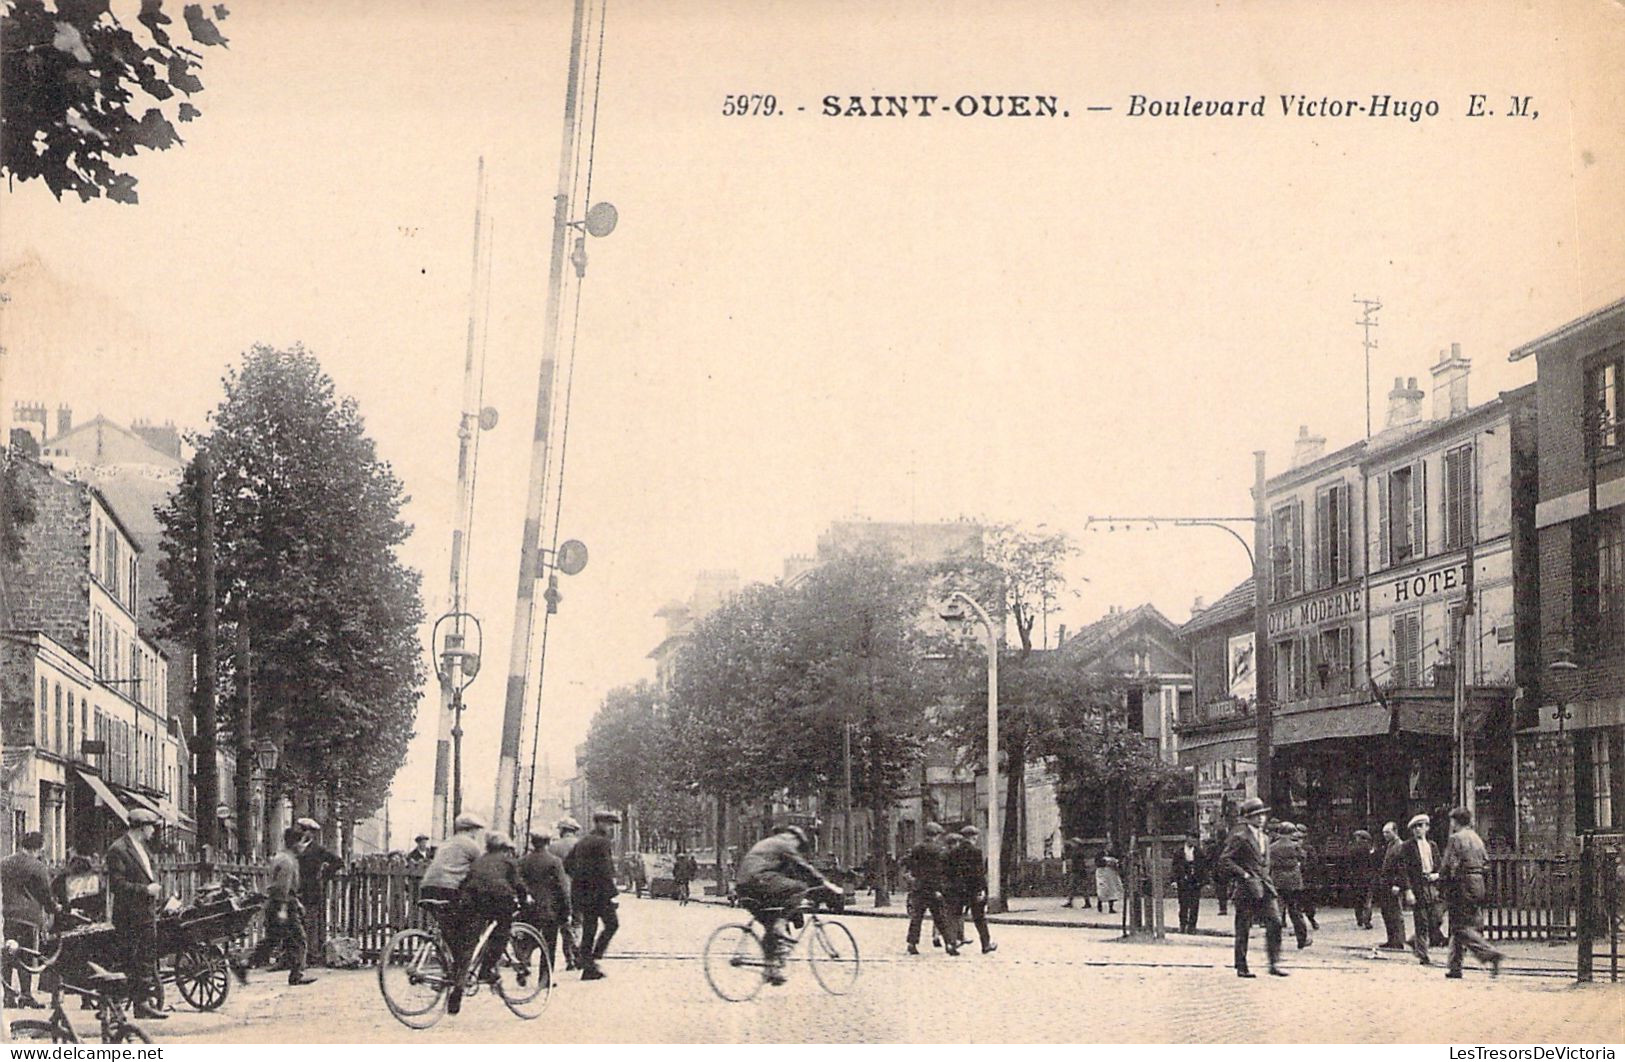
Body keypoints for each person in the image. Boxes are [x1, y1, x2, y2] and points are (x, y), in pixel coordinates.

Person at [734, 825, 838, 985]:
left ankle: (771, 969)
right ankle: (781, 925)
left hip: (743, 887)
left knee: (770, 926)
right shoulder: (783, 844)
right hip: (760, 880)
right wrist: (824, 882)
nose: (796, 848)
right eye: (798, 845)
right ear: (793, 837)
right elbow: (802, 866)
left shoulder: (766, 844)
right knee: (799, 888)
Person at [104, 807, 170, 1018]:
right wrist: (145, 890)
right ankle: (122, 1006)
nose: (153, 832)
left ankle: (143, 1005)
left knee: (146, 960)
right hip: (129, 916)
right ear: (141, 827)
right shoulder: (118, 849)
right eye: (152, 827)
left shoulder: (143, 849)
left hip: (146, 914)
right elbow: (117, 885)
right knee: (130, 961)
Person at [456, 832, 525, 1014]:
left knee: (471, 941)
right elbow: (518, 885)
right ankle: (486, 970)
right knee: (501, 933)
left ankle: (459, 981)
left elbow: (466, 881)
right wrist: (525, 902)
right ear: (504, 848)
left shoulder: (478, 861)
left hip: (474, 900)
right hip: (498, 899)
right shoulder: (507, 862)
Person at [419, 811, 487, 992]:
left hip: (427, 889)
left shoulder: (445, 844)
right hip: (449, 891)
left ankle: (450, 971)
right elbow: (483, 871)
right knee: (470, 936)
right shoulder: (471, 846)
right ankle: (459, 981)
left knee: (452, 935)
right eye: (475, 830)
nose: (476, 834)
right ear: (470, 830)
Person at [1219, 797, 1286, 978]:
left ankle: (1273, 963)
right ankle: (1242, 965)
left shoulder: (1265, 838)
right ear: (1248, 818)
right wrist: (1244, 875)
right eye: (1257, 815)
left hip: (1266, 887)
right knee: (1244, 927)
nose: (1261, 818)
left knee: (1276, 923)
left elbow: (1265, 863)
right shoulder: (1239, 837)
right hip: (1247, 888)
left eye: (1262, 814)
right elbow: (1225, 860)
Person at [1440, 806, 1505, 979]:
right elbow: (1486, 862)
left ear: (1455, 821)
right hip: (1478, 885)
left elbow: (1449, 864)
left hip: (1462, 886)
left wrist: (1441, 880)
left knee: (1460, 927)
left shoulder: (1455, 838)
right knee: (1459, 926)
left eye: (1452, 821)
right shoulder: (1476, 838)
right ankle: (1454, 967)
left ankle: (1490, 954)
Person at [249, 827, 318, 986]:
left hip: (277, 902)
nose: (303, 846)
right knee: (299, 939)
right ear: (295, 843)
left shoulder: (280, 857)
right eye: (302, 842)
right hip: (283, 905)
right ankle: (297, 975)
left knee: (273, 939)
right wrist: (284, 909)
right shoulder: (287, 861)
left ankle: (245, 963)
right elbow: (283, 888)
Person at [2, 831, 61, 1009]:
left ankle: (8, 996)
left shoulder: (4, 863)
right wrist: (54, 909)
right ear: (38, 848)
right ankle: (26, 995)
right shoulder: (37, 866)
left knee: (9, 953)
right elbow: (45, 894)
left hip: (10, 915)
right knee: (26, 955)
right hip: (29, 917)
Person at [564, 810, 620, 981]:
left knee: (589, 928)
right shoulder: (602, 842)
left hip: (583, 893)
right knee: (612, 924)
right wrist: (612, 893)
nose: (611, 828)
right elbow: (605, 870)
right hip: (599, 893)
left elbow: (567, 864)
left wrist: (580, 879)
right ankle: (591, 959)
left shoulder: (583, 841)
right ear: (599, 823)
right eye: (609, 824)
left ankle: (587, 964)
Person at [1396, 813, 1446, 966]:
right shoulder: (1407, 846)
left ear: (1427, 828)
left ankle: (1413, 941)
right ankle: (1424, 955)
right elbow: (1403, 869)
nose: (1418, 829)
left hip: (1432, 886)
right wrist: (1408, 890)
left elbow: (1439, 865)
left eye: (1421, 826)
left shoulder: (1432, 846)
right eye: (1415, 827)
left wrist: (1437, 875)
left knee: (1436, 917)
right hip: (1417, 887)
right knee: (1421, 920)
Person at [519, 829, 570, 974]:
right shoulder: (554, 862)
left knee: (528, 939)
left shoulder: (523, 861)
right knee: (549, 944)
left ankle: (523, 964)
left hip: (528, 908)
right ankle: (545, 977)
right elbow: (563, 887)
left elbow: (517, 883)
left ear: (532, 842)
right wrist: (566, 911)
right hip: (550, 908)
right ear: (548, 843)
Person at [295, 817, 342, 967]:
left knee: (310, 924)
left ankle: (310, 957)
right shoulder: (293, 848)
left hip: (311, 891)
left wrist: (324, 875)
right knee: (293, 924)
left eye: (305, 830)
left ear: (311, 833)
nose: (302, 833)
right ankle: (293, 957)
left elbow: (338, 862)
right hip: (294, 890)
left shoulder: (318, 850)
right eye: (301, 830)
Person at [944, 825, 997, 954]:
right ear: (974, 837)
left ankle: (951, 944)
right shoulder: (976, 851)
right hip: (973, 889)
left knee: (954, 916)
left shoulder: (953, 852)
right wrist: (981, 890)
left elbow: (948, 872)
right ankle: (986, 944)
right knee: (979, 917)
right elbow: (979, 873)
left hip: (957, 890)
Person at [902, 822, 953, 956]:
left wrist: (913, 876)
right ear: (936, 835)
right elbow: (938, 872)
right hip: (932, 888)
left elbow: (908, 862)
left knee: (917, 918)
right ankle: (949, 944)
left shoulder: (917, 848)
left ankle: (911, 944)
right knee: (940, 917)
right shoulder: (938, 850)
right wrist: (939, 889)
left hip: (919, 888)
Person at [1268, 822, 1312, 949]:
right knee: (1296, 912)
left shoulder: (1272, 847)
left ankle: (1275, 941)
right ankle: (1301, 940)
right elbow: (1303, 858)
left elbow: (1268, 863)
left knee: (1277, 912)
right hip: (1293, 882)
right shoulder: (1295, 846)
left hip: (1277, 881)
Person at [548, 817, 584, 970]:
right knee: (578, 922)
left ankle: (568, 957)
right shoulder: (582, 845)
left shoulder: (553, 847)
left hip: (558, 891)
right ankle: (578, 953)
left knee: (563, 923)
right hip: (579, 889)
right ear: (574, 831)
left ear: (562, 831)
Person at [1377, 821, 1409, 950]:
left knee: (1395, 912)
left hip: (1393, 884)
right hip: (1386, 883)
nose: (1385, 835)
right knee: (1387, 912)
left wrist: (1398, 884)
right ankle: (1391, 939)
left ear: (1395, 832)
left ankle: (1399, 940)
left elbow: (1402, 868)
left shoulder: (1400, 846)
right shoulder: (1390, 845)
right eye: (1384, 832)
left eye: (1387, 832)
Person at [1171, 830, 1205, 933]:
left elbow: (1203, 867)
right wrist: (1174, 880)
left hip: (1195, 881)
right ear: (1187, 838)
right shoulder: (1179, 852)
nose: (1193, 841)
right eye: (1191, 838)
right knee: (1183, 904)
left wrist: (1204, 881)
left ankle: (1192, 926)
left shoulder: (1199, 852)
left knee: (1194, 905)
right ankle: (1182, 924)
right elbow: (1174, 867)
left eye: (1195, 839)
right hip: (1183, 881)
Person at [1295, 823, 1320, 931]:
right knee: (1294, 903)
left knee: (1308, 902)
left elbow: (1314, 863)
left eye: (1300, 837)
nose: (1298, 839)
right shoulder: (1291, 847)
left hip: (1306, 879)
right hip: (1295, 879)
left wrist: (1303, 866)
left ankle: (1311, 919)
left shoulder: (1309, 849)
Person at [1061, 836, 1092, 909]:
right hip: (1077, 871)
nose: (1072, 844)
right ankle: (1072, 901)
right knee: (1074, 887)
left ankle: (1084, 902)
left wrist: (1078, 870)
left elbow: (1079, 863)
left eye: (1073, 843)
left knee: (1075, 887)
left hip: (1077, 871)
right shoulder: (1076, 851)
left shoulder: (1078, 852)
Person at [1204, 830, 1230, 917]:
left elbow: (1208, 859)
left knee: (1221, 890)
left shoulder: (1214, 847)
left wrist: (1208, 868)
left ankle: (1223, 908)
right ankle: (1224, 906)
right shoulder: (1228, 846)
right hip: (1227, 870)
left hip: (1219, 871)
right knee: (1225, 889)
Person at [1094, 840, 1124, 916]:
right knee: (1103, 888)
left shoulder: (1113, 854)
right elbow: (1097, 863)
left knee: (1112, 889)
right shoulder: (1099, 854)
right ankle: (1100, 902)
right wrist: (1105, 862)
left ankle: (1111, 907)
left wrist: (1116, 864)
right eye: (1109, 846)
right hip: (1102, 872)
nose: (1110, 848)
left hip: (1111, 873)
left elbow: (1118, 862)